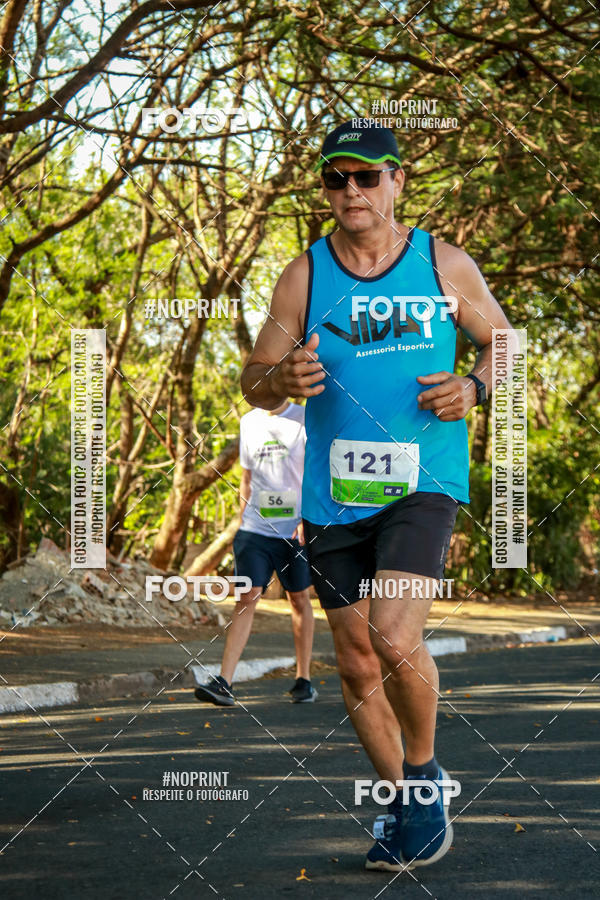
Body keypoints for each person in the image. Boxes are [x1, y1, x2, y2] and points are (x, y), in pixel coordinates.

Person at [240, 121, 513, 870]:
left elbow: (505, 342)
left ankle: (424, 780)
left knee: (393, 633)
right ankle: (400, 802)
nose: (352, 191)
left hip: (422, 483)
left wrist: (474, 386)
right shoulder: (303, 275)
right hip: (333, 493)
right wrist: (279, 380)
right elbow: (255, 376)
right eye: (337, 178)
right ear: (326, 188)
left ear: (397, 182)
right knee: (357, 660)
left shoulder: (441, 263)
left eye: (367, 176)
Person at [194, 399, 317, 706]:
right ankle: (225, 682)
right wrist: (241, 520)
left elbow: (315, 472)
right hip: (255, 529)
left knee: (299, 599)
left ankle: (304, 679)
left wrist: (308, 519)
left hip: (295, 528)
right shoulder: (249, 422)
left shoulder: (303, 418)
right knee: (247, 597)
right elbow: (246, 479)